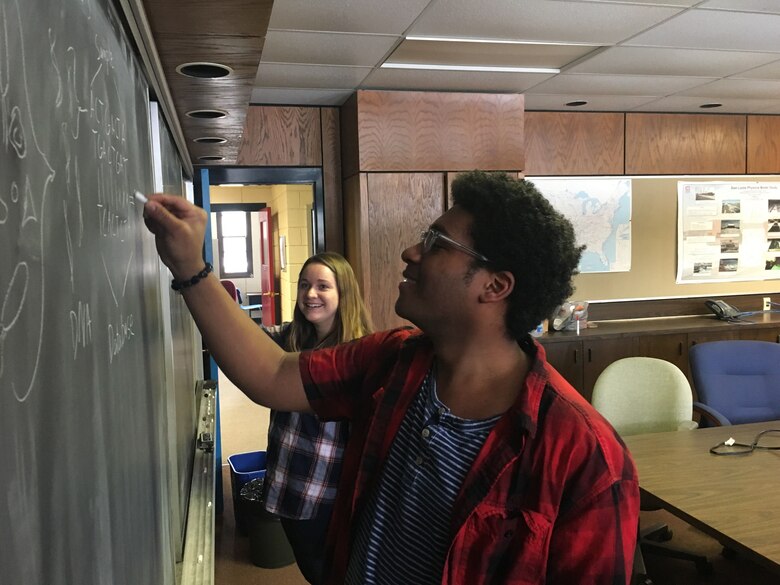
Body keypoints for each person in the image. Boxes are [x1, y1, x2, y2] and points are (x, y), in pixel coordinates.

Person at [143, 170, 639, 585]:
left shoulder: (582, 454)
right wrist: (190, 265)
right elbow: (272, 374)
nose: (410, 252)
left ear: (495, 286)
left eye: (435, 243)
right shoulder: (393, 361)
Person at [262, 252, 372, 584]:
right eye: (305, 285)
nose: (311, 294)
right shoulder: (288, 339)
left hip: (324, 493)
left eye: (323, 286)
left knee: (325, 571)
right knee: (311, 567)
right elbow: (244, 342)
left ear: (344, 294)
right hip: (287, 481)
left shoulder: (359, 353)